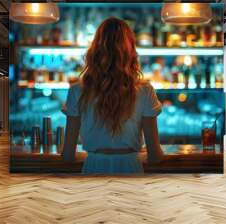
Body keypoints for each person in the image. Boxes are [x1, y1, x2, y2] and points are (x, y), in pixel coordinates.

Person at [62, 17, 164, 174]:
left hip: (93, 168)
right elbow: (155, 156)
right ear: (130, 51)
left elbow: (67, 156)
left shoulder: (76, 90)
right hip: (131, 169)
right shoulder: (145, 90)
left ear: (95, 49)